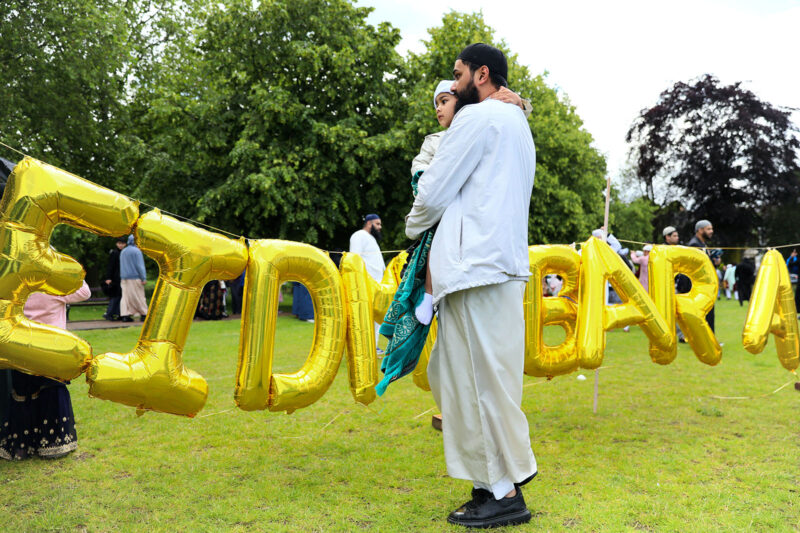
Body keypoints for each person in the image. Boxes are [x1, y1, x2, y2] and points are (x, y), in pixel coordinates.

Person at [405, 43, 536, 528]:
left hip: (473, 270)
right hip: (494, 269)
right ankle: (490, 486)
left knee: (475, 384)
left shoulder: (478, 120)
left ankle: (503, 492)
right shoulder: (516, 122)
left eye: (457, 75)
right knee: (468, 380)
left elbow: (434, 188)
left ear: (481, 76)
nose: (451, 85)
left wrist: (412, 228)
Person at [0, 281, 91, 460]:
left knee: (24, 392)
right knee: (51, 389)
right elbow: (84, 292)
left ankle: (24, 445)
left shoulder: (18, 282)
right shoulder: (53, 285)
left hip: (22, 345)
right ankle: (54, 443)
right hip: (51, 347)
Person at [350, 214, 386, 346]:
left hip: (376, 284)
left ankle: (374, 346)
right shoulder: (358, 235)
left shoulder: (371, 238)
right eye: (377, 224)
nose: (380, 227)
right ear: (369, 223)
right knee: (365, 316)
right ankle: (363, 346)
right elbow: (355, 260)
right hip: (366, 283)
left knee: (376, 316)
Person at [687, 220, 715, 332]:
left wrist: (715, 261)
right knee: (704, 314)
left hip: (706, 285)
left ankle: (711, 339)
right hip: (700, 286)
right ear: (700, 230)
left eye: (711, 229)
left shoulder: (702, 244)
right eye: (708, 229)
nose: (711, 231)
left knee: (709, 314)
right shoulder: (694, 244)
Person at [119, 234, 148, 322]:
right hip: (135, 277)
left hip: (124, 278)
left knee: (125, 297)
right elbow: (140, 266)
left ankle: (125, 314)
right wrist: (143, 278)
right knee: (139, 296)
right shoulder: (136, 251)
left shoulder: (123, 251)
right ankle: (144, 313)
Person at [102, 237, 126, 320]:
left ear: (125, 244)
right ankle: (109, 313)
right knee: (115, 296)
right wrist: (108, 277)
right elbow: (110, 266)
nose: (120, 245)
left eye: (122, 243)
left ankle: (118, 313)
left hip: (120, 278)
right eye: (119, 243)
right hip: (115, 279)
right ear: (116, 244)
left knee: (120, 296)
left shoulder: (123, 253)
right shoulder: (114, 253)